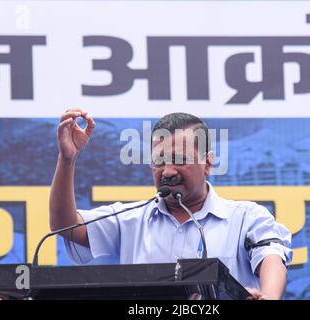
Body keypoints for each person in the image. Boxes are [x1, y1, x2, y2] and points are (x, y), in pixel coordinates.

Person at [50, 108, 293, 300]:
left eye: (178, 159)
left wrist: (268, 297)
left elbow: (271, 257)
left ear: (207, 163)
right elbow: (65, 225)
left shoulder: (245, 217)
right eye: (159, 161)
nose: (167, 171)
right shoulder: (130, 220)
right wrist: (67, 158)